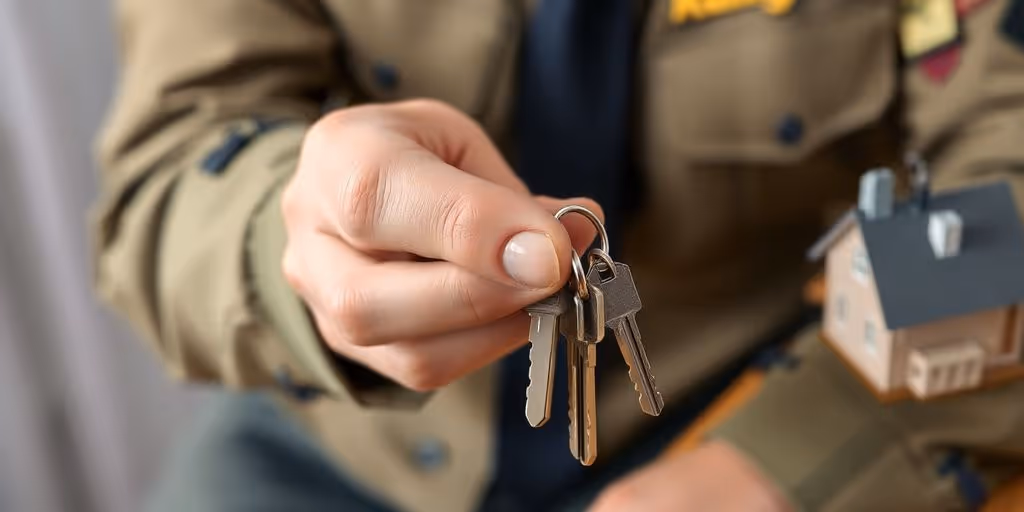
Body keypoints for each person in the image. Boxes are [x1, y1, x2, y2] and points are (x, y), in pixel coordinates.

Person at [91, 0, 1024, 511]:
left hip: (749, 404)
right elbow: (167, 172)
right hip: (326, 440)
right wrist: (292, 244)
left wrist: (799, 459)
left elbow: (1002, 177)